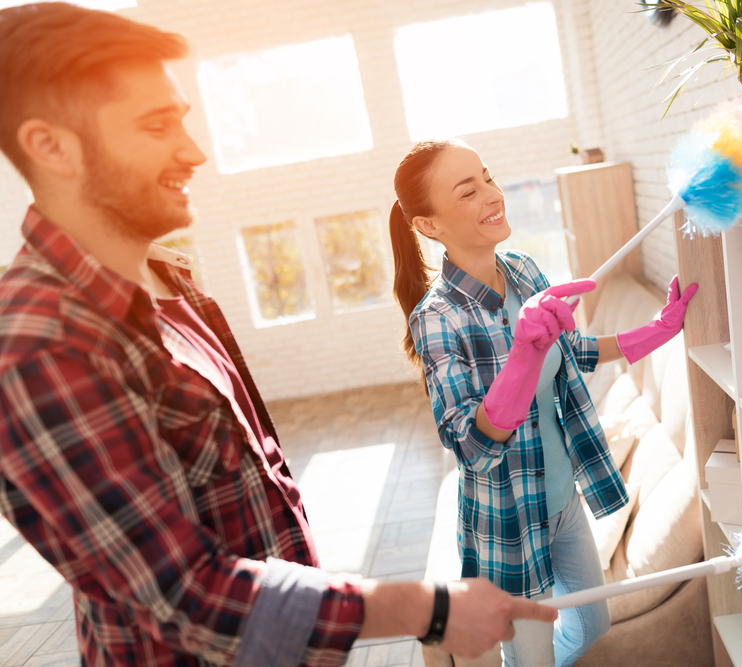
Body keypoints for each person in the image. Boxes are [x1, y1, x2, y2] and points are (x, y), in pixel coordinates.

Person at [0, 4, 557, 666]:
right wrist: (428, 608)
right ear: (51, 146)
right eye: (156, 126)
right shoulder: (37, 345)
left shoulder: (174, 285)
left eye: (180, 118)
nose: (194, 151)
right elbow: (188, 594)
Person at [389, 138, 698, 667]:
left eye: (487, 176)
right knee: (529, 659)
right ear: (429, 225)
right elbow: (471, 446)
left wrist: (661, 329)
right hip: (506, 523)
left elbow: (574, 352)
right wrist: (523, 356)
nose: (492, 194)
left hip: (565, 504)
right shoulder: (436, 318)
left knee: (593, 628)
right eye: (468, 191)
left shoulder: (525, 271)